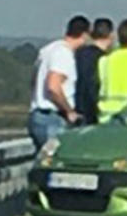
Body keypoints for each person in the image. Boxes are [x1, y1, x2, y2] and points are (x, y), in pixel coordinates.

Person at [28, 14, 90, 149]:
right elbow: (53, 87)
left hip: (37, 115)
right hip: (52, 117)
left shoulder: (47, 50)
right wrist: (69, 111)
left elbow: (33, 80)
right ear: (84, 35)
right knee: (56, 163)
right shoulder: (64, 54)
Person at [74, 16, 114, 125]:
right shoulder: (104, 60)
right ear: (111, 36)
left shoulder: (79, 54)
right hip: (92, 114)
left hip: (77, 111)